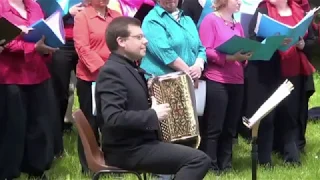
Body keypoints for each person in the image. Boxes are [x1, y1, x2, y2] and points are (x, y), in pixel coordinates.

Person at [96, 16, 211, 180]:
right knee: (198, 160)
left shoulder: (129, 67)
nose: (146, 41)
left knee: (192, 152)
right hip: (128, 149)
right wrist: (153, 114)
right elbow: (113, 117)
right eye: (139, 37)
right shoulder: (112, 72)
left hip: (139, 143)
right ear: (121, 41)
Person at [246, 0, 316, 166]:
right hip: (267, 72)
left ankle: (291, 157)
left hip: (293, 71)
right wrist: (273, 42)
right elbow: (252, 39)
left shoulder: (299, 11)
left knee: (290, 114)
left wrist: (302, 44)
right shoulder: (263, 10)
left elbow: (312, 40)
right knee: (267, 117)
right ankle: (264, 160)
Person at [0, 0, 59, 179]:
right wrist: (32, 48)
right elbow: (4, 39)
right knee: (12, 127)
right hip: (10, 76)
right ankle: (8, 172)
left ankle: (37, 169)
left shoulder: (34, 6)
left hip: (37, 73)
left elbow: (42, 34)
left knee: (40, 124)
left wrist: (46, 46)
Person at [198, 0, 251, 173]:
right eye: (236, 0)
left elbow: (242, 46)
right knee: (215, 127)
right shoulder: (211, 20)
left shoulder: (237, 24)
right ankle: (211, 165)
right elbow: (205, 49)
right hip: (217, 79)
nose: (239, 3)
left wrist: (246, 56)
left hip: (237, 80)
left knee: (230, 127)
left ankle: (226, 165)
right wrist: (229, 58)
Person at [73, 0, 121, 173]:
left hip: (115, 79)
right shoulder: (82, 16)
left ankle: (113, 163)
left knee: (112, 120)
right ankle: (89, 166)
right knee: (90, 122)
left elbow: (123, 44)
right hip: (90, 79)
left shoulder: (116, 16)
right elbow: (82, 47)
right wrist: (105, 70)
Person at [49, 2, 84, 158]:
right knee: (59, 93)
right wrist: (68, 13)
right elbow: (44, 20)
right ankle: (56, 140)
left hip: (84, 43)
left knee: (87, 91)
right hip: (61, 44)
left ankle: (89, 138)